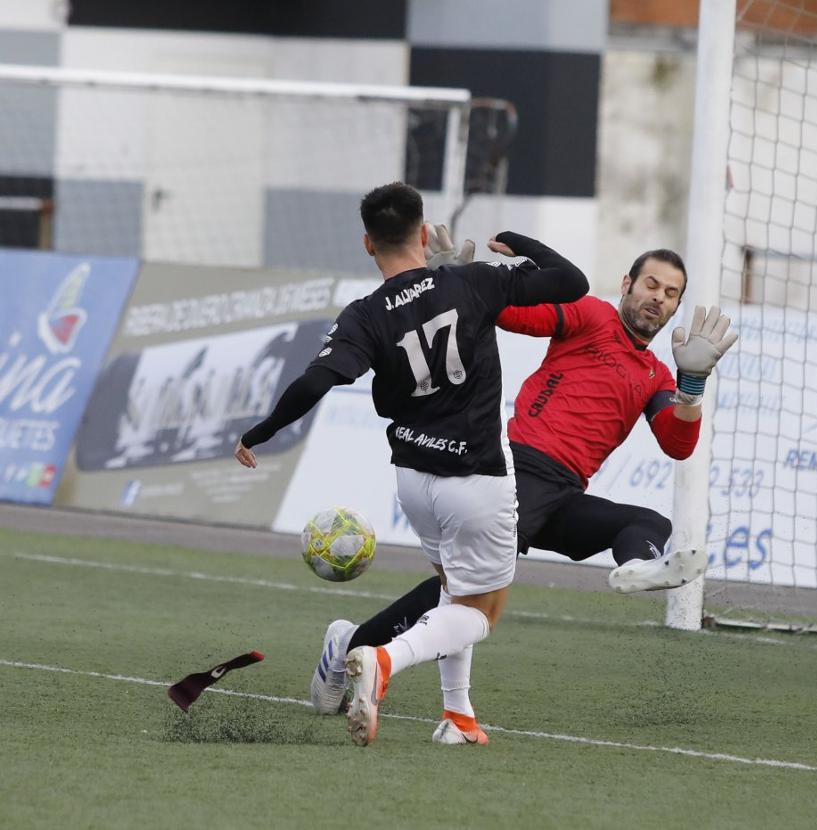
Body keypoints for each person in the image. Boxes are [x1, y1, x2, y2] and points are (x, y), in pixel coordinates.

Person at [308, 237, 738, 724]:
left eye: (670, 293)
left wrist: (692, 386)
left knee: (650, 524)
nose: (657, 297)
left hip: (563, 494)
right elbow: (509, 312)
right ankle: (356, 647)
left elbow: (677, 444)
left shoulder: (659, 376)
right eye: (650, 284)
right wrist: (457, 284)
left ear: (677, 306)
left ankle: (638, 565)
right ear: (627, 285)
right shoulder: (591, 314)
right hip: (521, 469)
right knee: (469, 596)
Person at [235, 182, 588, 747]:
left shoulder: (365, 315)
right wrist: (512, 243)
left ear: (367, 245)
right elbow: (572, 283)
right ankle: (383, 659)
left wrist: (260, 432)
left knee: (452, 587)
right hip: (475, 478)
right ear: (424, 234)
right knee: (482, 610)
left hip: (413, 483)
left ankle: (458, 716)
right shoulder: (471, 281)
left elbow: (315, 381)